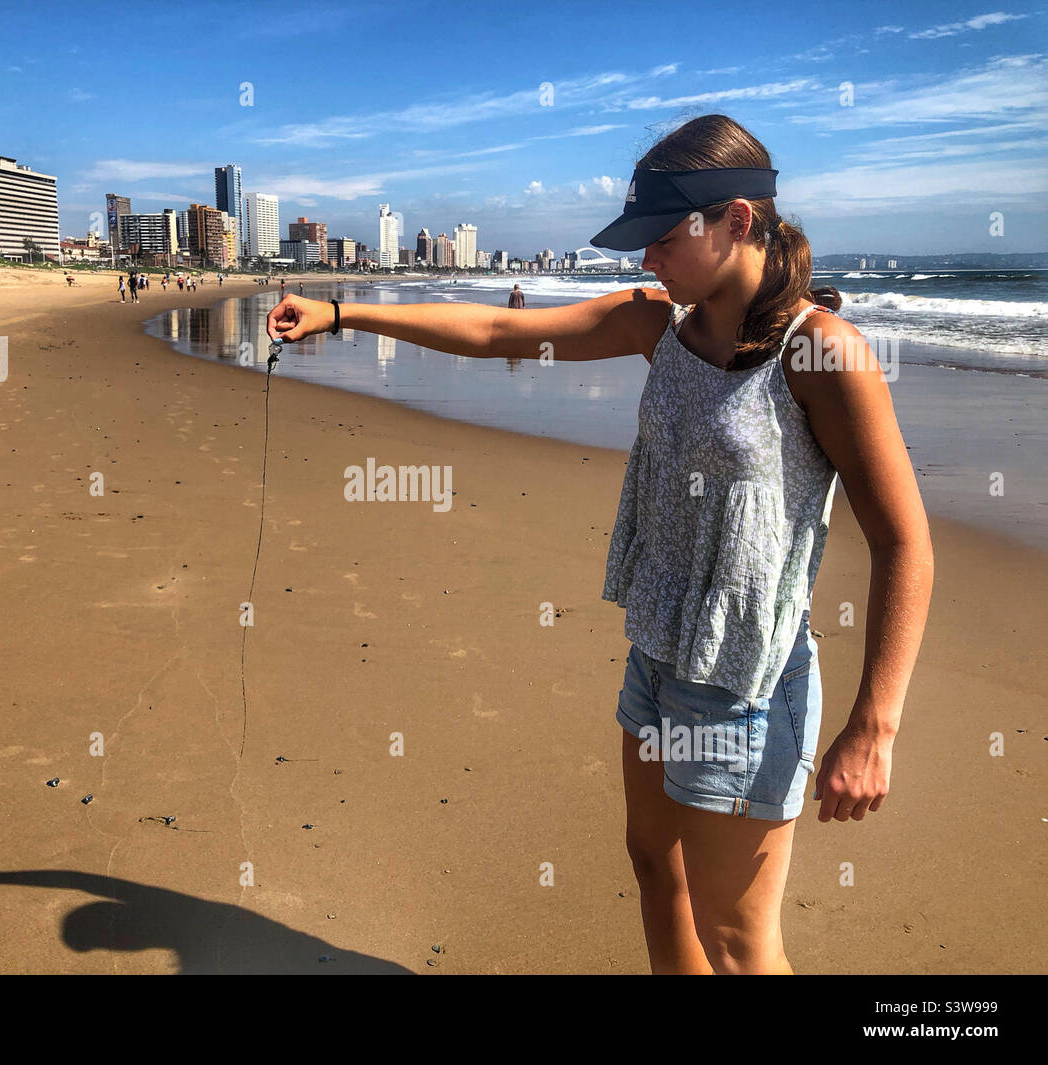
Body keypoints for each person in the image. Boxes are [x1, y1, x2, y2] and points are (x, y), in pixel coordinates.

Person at [265, 113, 933, 976]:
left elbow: (905, 543)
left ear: (735, 219)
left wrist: (874, 727)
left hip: (746, 689)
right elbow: (502, 334)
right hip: (655, 655)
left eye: (658, 238)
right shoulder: (660, 327)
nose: (643, 259)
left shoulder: (820, 353)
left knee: (738, 943)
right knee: (657, 873)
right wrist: (341, 311)